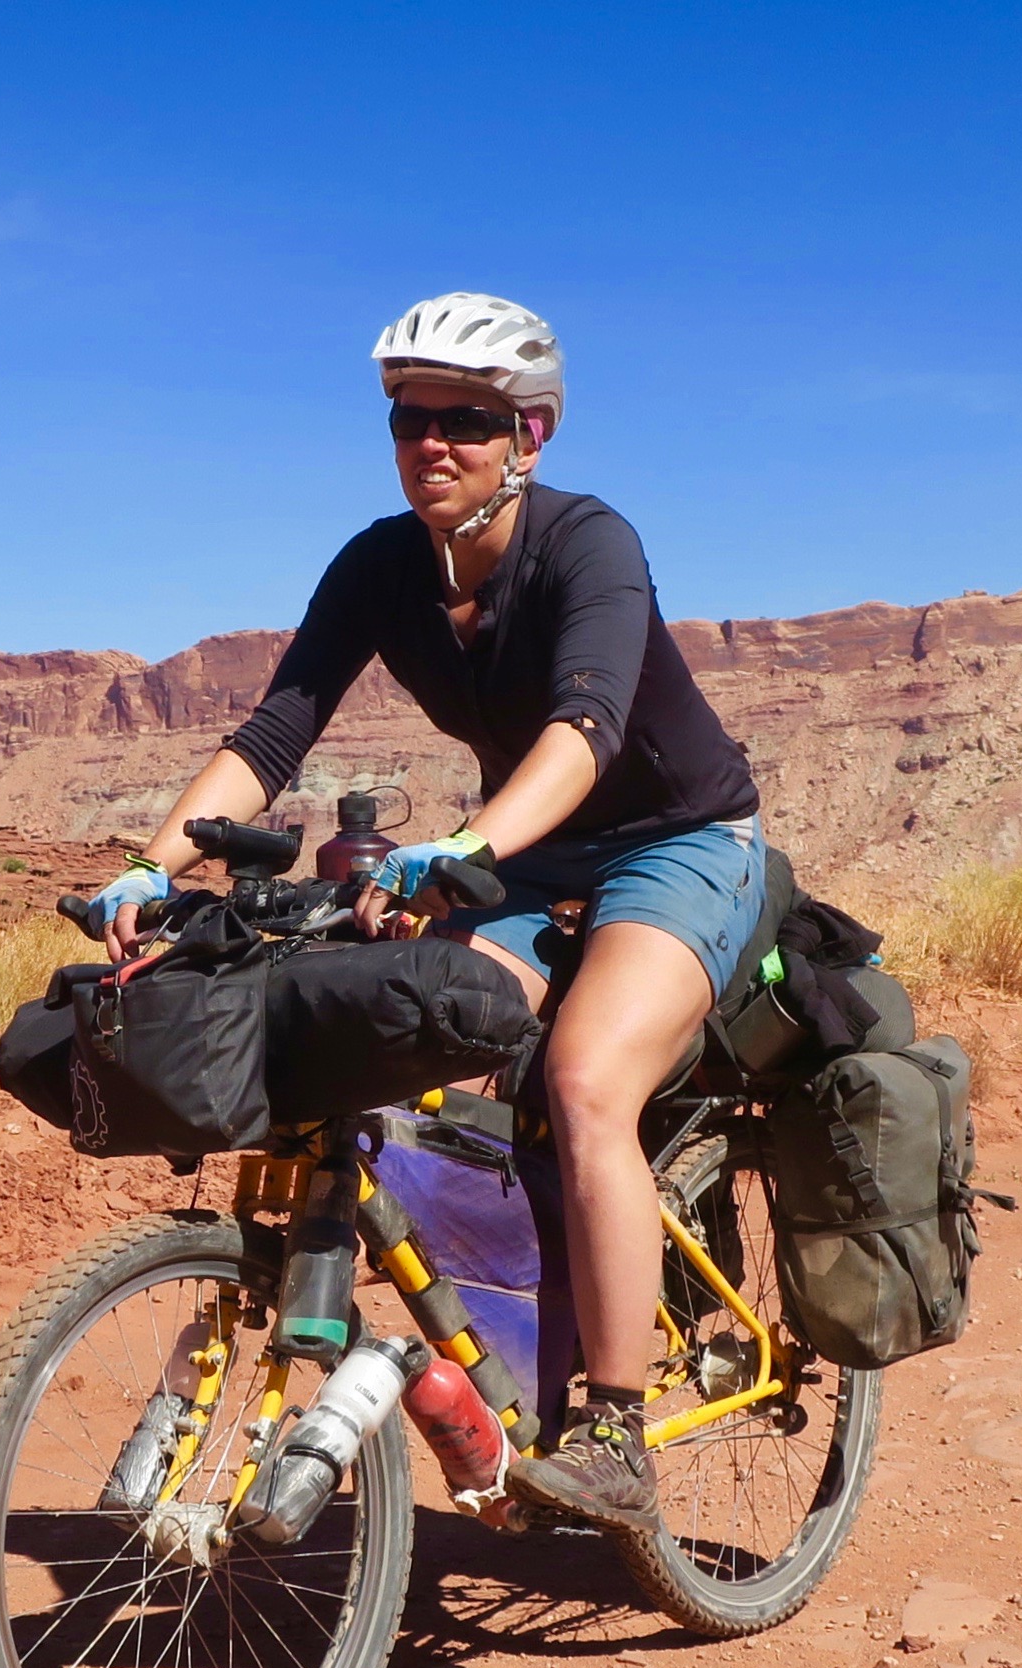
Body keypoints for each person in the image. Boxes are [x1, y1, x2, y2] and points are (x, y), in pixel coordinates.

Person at [83, 291, 766, 1532]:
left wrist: (466, 845)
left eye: (465, 420)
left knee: (586, 1080)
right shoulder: (380, 565)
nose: (431, 443)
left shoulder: (587, 544)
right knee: (408, 1048)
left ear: (529, 435)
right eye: (410, 419)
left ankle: (614, 1431)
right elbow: (274, 733)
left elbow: (584, 729)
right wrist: (152, 865)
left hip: (674, 843)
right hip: (523, 851)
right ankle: (512, 1338)